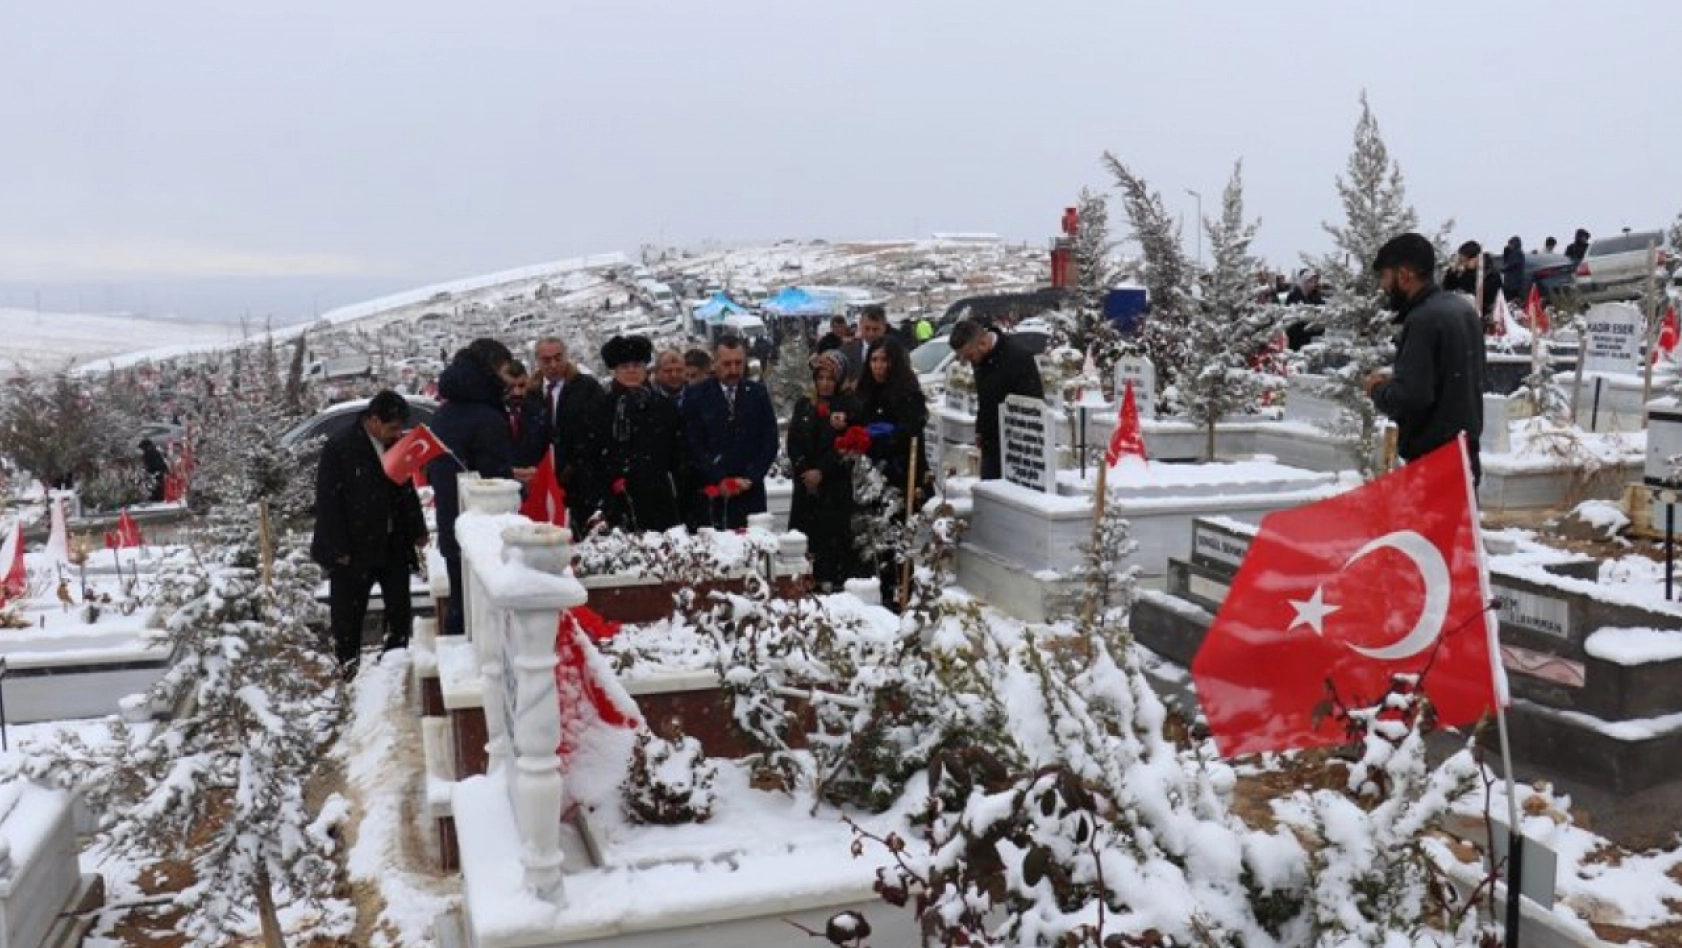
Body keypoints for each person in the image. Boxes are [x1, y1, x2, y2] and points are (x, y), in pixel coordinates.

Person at [311, 391, 429, 676]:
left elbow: (405, 489)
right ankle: (349, 673)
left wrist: (417, 530)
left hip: (393, 544)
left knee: (399, 613)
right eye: (391, 427)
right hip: (353, 549)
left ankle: (395, 668)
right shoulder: (341, 446)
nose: (397, 433)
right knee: (348, 620)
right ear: (373, 420)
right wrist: (338, 548)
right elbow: (328, 500)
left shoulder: (396, 444)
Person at [1363, 233, 1487, 484]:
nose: (1383, 287)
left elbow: (1412, 397)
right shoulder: (1463, 310)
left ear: (1405, 274)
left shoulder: (1423, 319)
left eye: (1385, 277)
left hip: (1433, 465)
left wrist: (1377, 389)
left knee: (1429, 526)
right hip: (1464, 456)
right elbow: (1449, 378)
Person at [427, 339, 528, 637]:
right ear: (492, 369)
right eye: (505, 371)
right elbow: (494, 483)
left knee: (462, 610)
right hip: (482, 535)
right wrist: (520, 488)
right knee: (484, 622)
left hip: (453, 525)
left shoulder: (445, 413)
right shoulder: (486, 417)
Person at [854, 337, 933, 610]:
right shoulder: (865, 392)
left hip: (900, 473)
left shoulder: (906, 392)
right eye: (874, 360)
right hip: (871, 474)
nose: (878, 366)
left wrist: (885, 433)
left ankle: (902, 589)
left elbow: (910, 431)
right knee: (874, 538)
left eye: (883, 360)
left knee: (898, 536)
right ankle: (879, 586)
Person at [587, 335, 683, 532]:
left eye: (637, 365)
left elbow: (678, 455)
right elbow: (593, 456)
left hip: (659, 497)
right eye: (624, 366)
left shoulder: (663, 406)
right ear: (615, 370)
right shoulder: (601, 408)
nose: (631, 370)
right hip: (616, 498)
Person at [681, 336, 779, 529]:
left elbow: (769, 440)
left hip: (751, 493)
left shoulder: (757, 393)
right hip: (713, 494)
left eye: (738, 363)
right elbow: (693, 444)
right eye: (727, 364)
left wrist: (751, 477)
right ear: (714, 364)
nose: (733, 370)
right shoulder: (697, 396)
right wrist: (720, 478)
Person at [786, 350, 862, 590]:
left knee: (833, 542)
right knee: (806, 543)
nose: (825, 384)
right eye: (821, 378)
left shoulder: (847, 407)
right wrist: (804, 469)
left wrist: (821, 471)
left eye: (830, 379)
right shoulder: (805, 405)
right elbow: (794, 441)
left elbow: (845, 444)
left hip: (833, 487)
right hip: (806, 487)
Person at [948, 317, 1046, 480]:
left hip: (1018, 445)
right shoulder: (980, 360)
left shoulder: (1018, 358)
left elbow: (1033, 404)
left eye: (969, 356)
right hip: (991, 443)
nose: (967, 362)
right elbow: (985, 397)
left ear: (983, 343)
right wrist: (981, 428)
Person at [533, 336, 604, 528]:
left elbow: (597, 429)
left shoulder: (587, 388)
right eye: (546, 360)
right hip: (544, 480)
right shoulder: (531, 393)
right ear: (538, 362)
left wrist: (575, 463)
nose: (553, 365)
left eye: (558, 358)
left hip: (583, 479)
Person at [1441, 241, 1504, 327]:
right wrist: (1452, 273)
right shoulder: (1466, 272)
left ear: (1476, 258)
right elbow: (1447, 288)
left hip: (1483, 317)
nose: (1464, 264)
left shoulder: (1491, 274)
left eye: (1465, 260)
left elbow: (1485, 297)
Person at [503, 359, 548, 467]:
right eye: (511, 387)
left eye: (521, 386)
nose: (517, 392)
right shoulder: (491, 415)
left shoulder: (540, 413)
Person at [1283, 269, 1326, 350]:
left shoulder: (1316, 296)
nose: (1312, 285)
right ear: (1303, 281)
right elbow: (1289, 318)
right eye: (1310, 282)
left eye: (1314, 282)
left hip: (1315, 340)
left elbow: (1322, 313)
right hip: (1297, 340)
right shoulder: (1294, 295)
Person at [139, 438, 169, 502]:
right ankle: (157, 497)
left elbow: (157, 463)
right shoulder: (153, 452)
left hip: (155, 472)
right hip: (156, 472)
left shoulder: (151, 453)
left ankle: (157, 498)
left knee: (156, 486)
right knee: (157, 486)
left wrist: (148, 469)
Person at [1501, 236, 1526, 302]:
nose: (1509, 246)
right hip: (1513, 284)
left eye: (1510, 244)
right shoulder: (1515, 253)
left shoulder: (1517, 253)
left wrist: (1502, 269)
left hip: (1513, 285)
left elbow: (1510, 265)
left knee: (1511, 302)